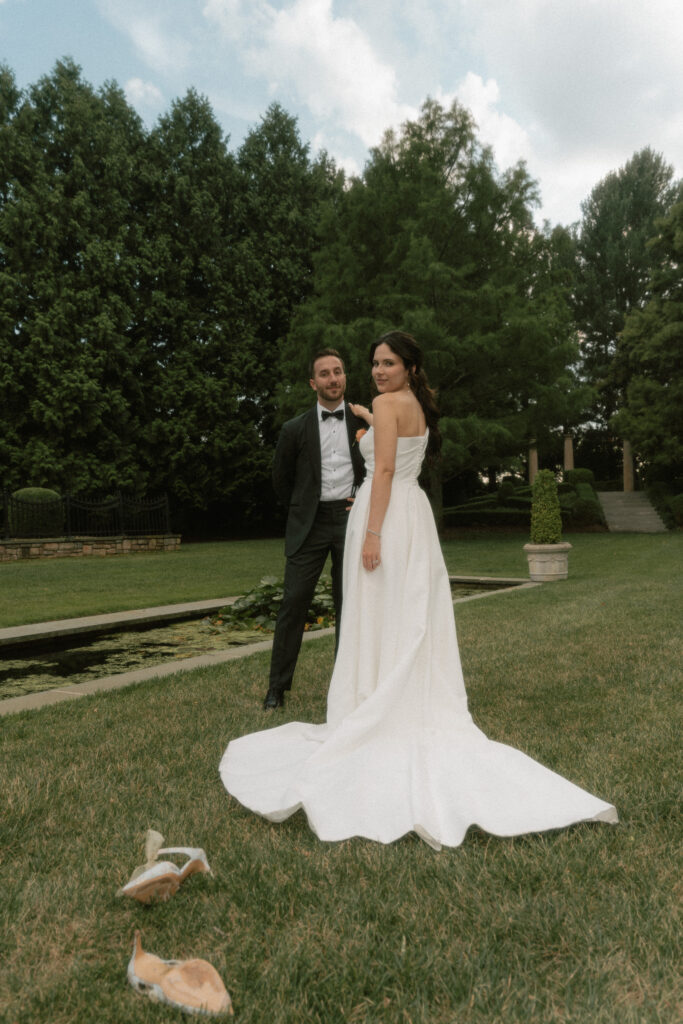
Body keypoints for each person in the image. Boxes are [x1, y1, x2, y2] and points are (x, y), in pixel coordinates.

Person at [221, 331, 618, 849]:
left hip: (385, 518)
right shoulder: (417, 407)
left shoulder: (389, 404)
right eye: (375, 363)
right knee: (405, 613)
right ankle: (403, 695)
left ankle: (374, 700)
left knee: (379, 612)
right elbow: (396, 454)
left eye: (389, 363)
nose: (379, 371)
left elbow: (382, 469)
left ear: (409, 366)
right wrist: (369, 421)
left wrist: (371, 534)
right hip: (415, 519)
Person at [262, 349, 365, 710]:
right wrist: (305, 507)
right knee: (293, 603)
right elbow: (281, 480)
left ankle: (345, 688)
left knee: (349, 605)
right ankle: (277, 688)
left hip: (352, 520)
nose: (333, 379)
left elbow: (379, 467)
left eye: (338, 372)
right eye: (325, 374)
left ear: (345, 377)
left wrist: (361, 498)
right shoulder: (294, 430)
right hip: (310, 523)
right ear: (313, 383)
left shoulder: (364, 421)